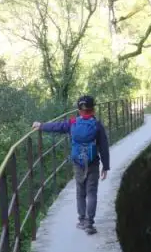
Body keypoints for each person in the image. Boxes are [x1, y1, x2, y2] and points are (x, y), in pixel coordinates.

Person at [33, 94, 109, 235]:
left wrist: (41, 126)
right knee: (91, 193)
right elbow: (104, 146)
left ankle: (81, 220)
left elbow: (57, 126)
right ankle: (89, 224)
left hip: (78, 164)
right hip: (92, 163)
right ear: (93, 110)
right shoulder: (97, 126)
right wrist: (106, 166)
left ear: (79, 110)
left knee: (80, 192)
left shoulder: (73, 122)